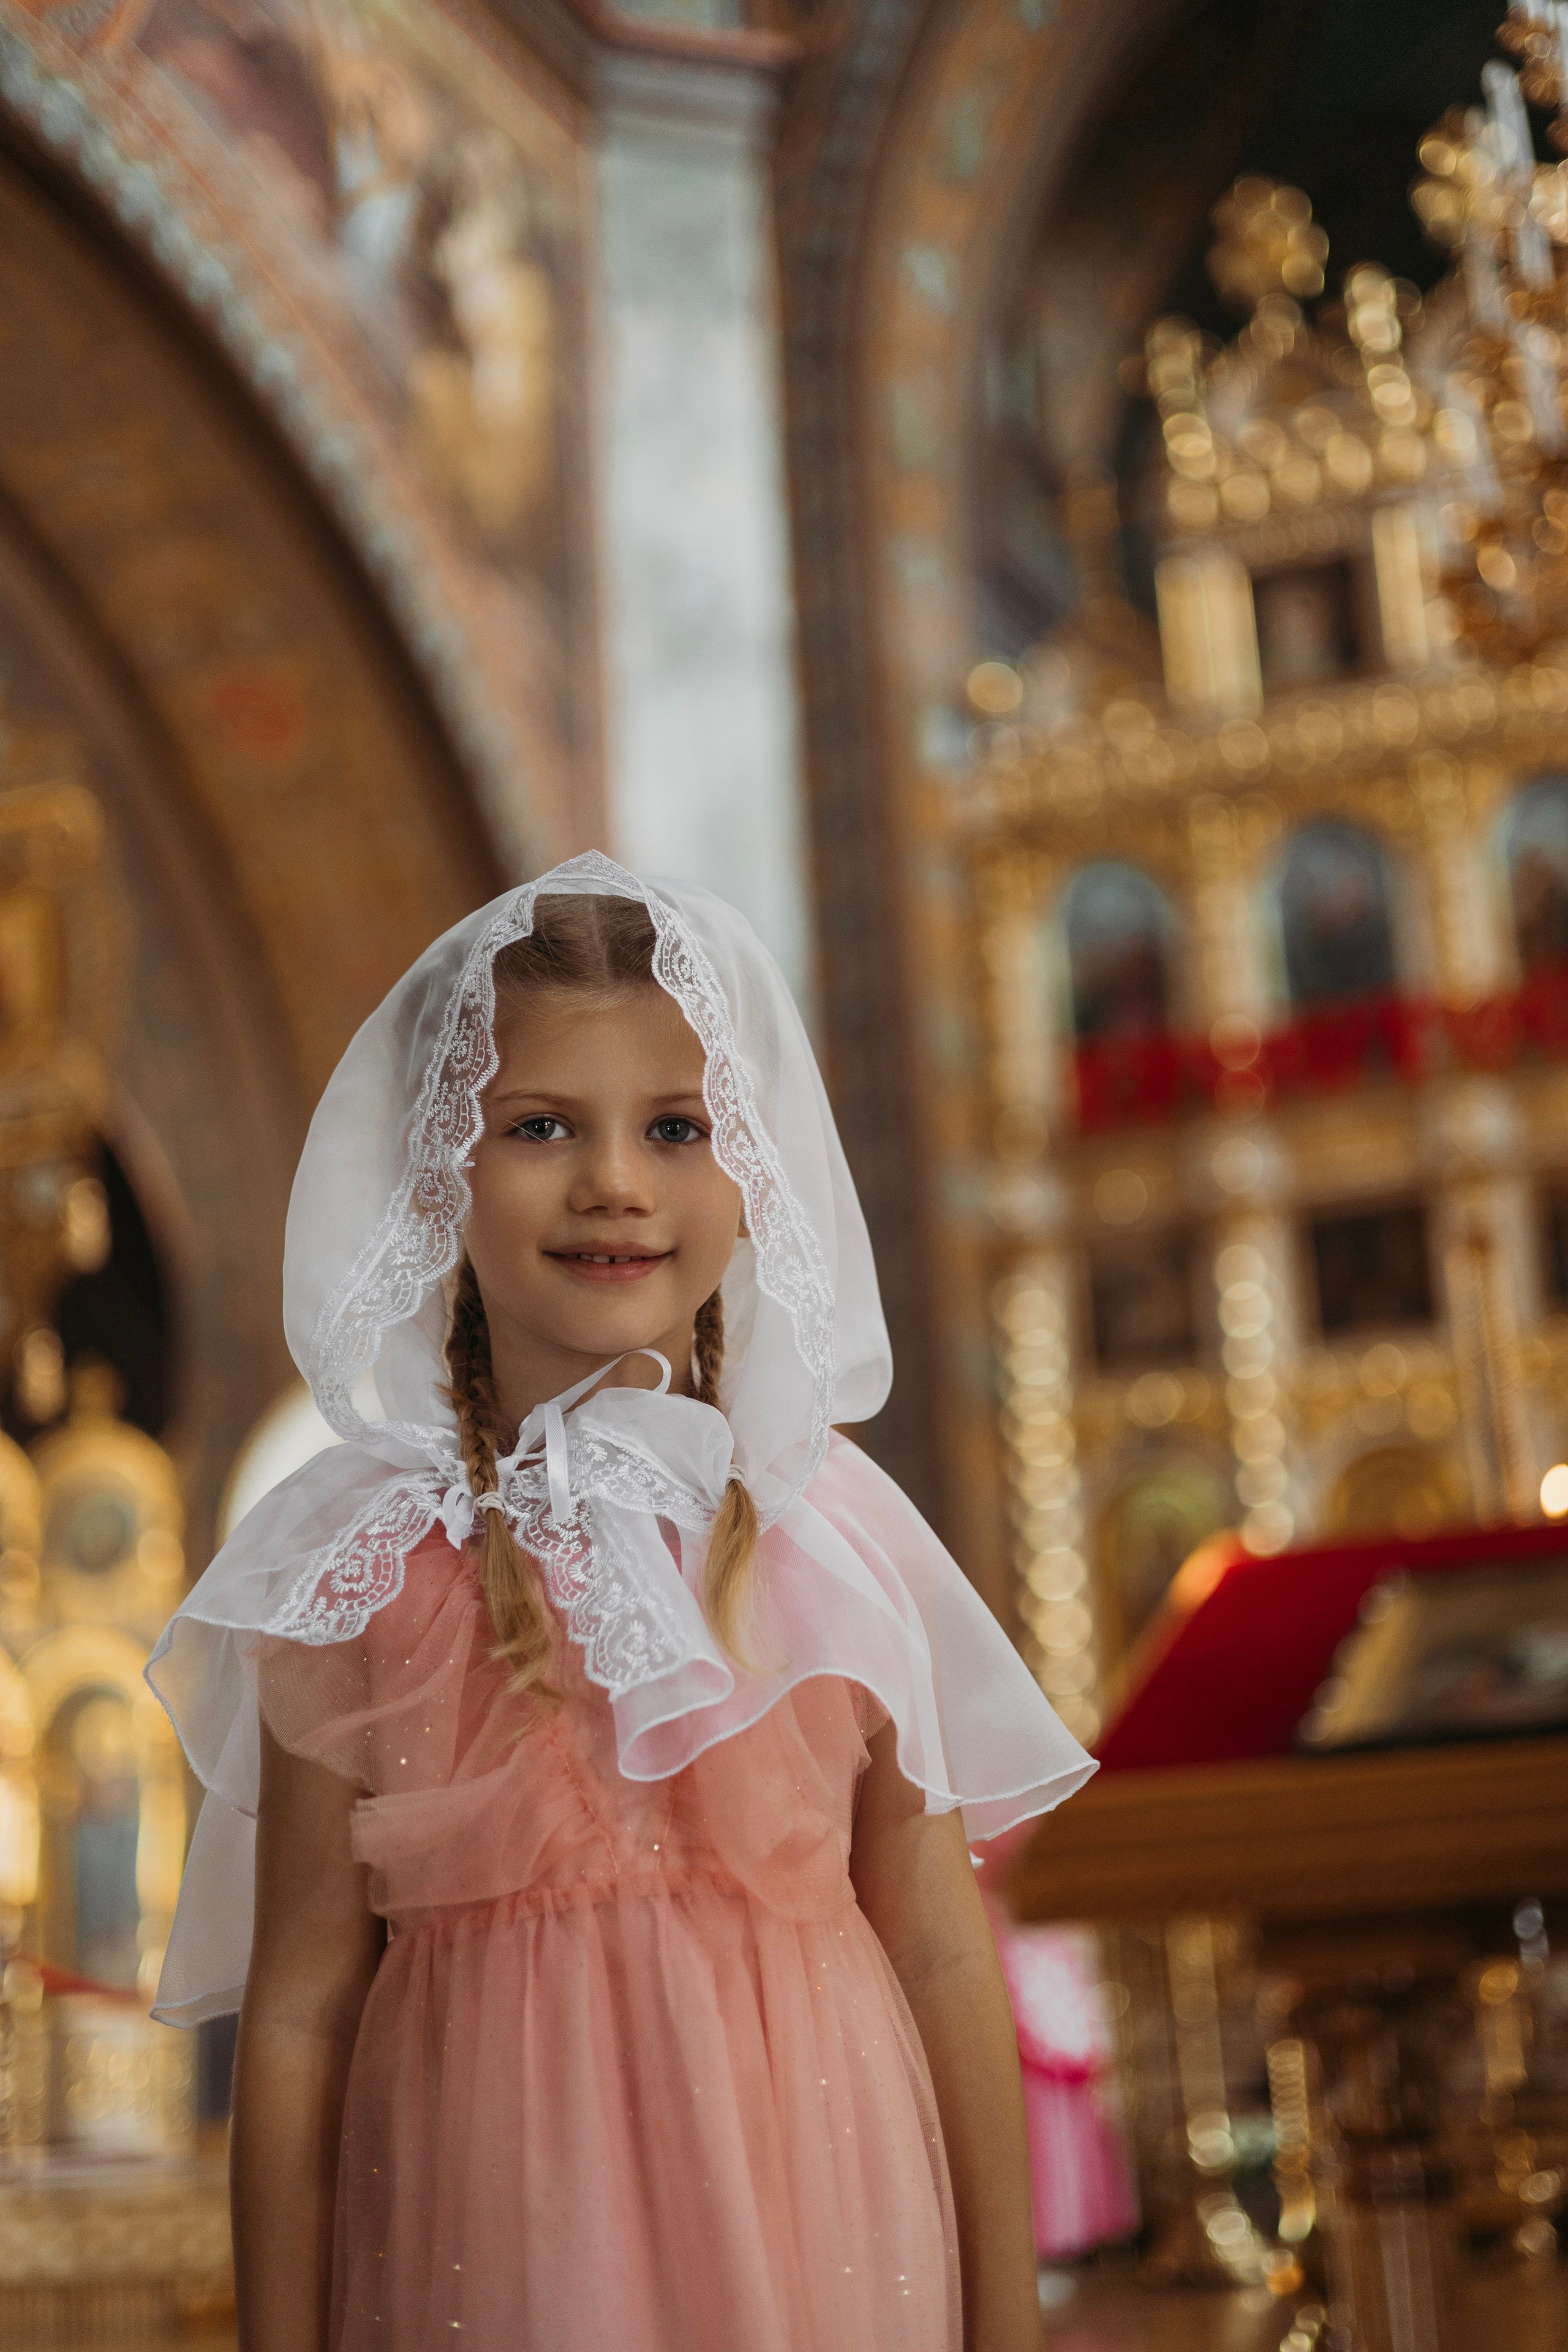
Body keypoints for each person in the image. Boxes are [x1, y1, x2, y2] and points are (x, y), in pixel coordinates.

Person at [146, 854, 1095, 2352]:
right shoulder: (364, 1567)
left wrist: (1006, 2327)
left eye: (676, 1127)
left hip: (824, 2242)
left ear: (753, 1165)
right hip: (492, 2256)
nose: (614, 1181)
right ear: (438, 1169)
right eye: (539, 1126)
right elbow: (303, 2009)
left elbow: (935, 1950)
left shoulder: (827, 1538)